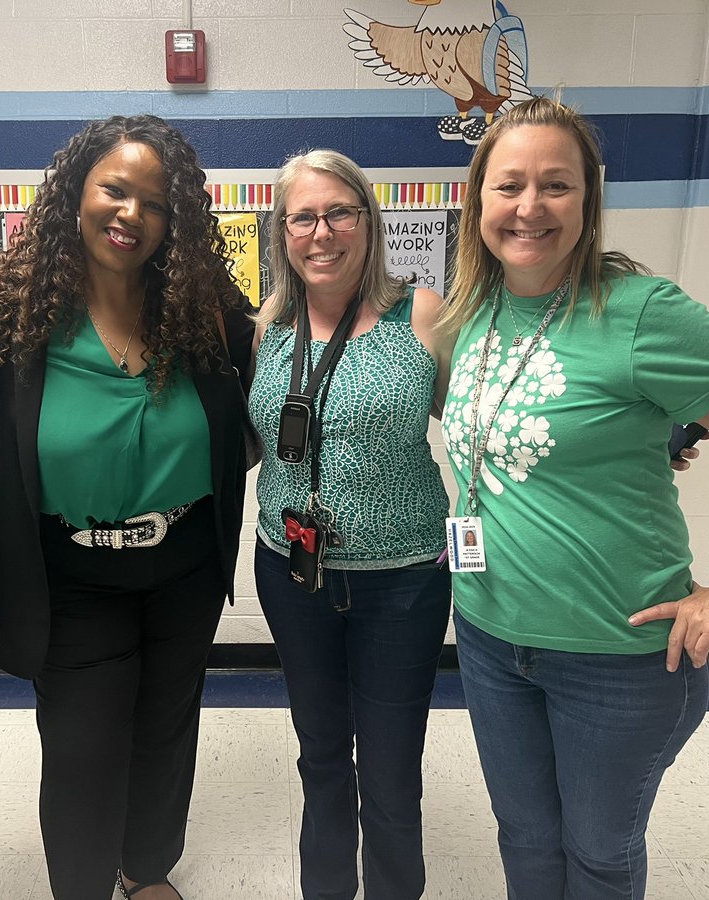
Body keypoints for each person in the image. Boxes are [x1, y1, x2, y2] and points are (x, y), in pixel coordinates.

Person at [439, 96, 709, 899]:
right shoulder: (473, 310)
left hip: (621, 656)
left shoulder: (643, 312)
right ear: (477, 202)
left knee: (598, 855)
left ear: (589, 201)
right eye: (509, 186)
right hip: (491, 639)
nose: (529, 207)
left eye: (556, 185)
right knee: (527, 841)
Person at [0, 114, 253, 900]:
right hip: (70, 574)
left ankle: (146, 872)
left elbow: (280, 374)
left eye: (155, 203)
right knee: (82, 750)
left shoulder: (204, 304)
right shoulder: (2, 312)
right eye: (115, 190)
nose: (131, 215)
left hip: (183, 564)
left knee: (167, 732)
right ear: (76, 192)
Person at [247, 149, 453, 900]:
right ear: (282, 232)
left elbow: (491, 416)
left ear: (368, 222)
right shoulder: (267, 327)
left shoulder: (421, 314)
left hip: (403, 582)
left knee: (393, 772)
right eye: (303, 216)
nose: (321, 232)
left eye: (340, 212)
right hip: (292, 572)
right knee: (322, 756)